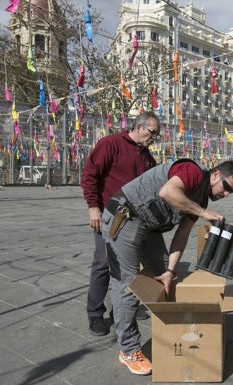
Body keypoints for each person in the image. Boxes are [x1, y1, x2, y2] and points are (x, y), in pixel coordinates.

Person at [102, 159, 233, 375]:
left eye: (230, 193)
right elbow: (167, 192)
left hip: (148, 228)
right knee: (128, 285)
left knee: (160, 279)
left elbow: (182, 235)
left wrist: (170, 271)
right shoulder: (192, 172)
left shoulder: (201, 201)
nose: (225, 195)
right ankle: (129, 350)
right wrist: (204, 214)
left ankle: (169, 330)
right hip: (124, 219)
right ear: (215, 174)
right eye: (226, 188)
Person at [81, 112, 159, 336]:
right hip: (108, 216)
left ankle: (121, 310)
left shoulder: (147, 158)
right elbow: (89, 176)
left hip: (134, 222)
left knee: (129, 268)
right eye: (152, 132)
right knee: (103, 264)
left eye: (157, 135)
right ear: (138, 127)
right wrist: (93, 207)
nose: (154, 138)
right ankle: (95, 314)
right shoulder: (110, 144)